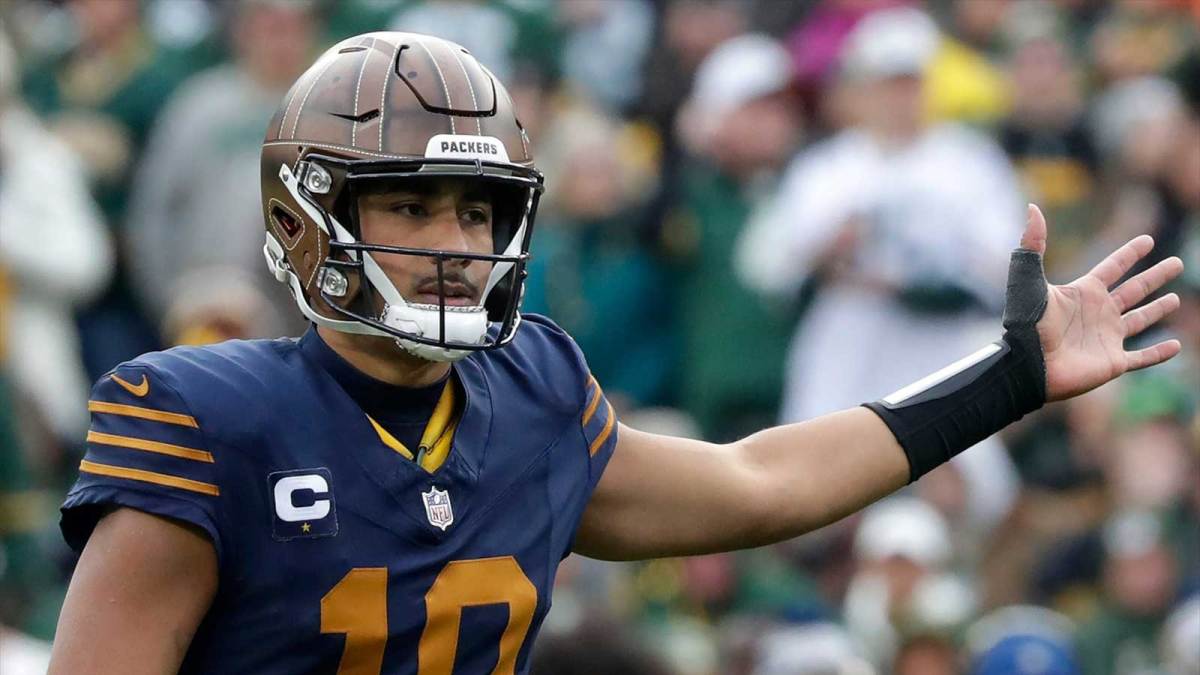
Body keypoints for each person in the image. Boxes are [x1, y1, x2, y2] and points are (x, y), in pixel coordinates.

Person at [48, 32, 1184, 674]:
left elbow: (760, 481)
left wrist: (1011, 377)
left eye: (479, 212)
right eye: (415, 206)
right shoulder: (199, 413)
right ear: (308, 217)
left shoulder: (535, 390)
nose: (456, 245)